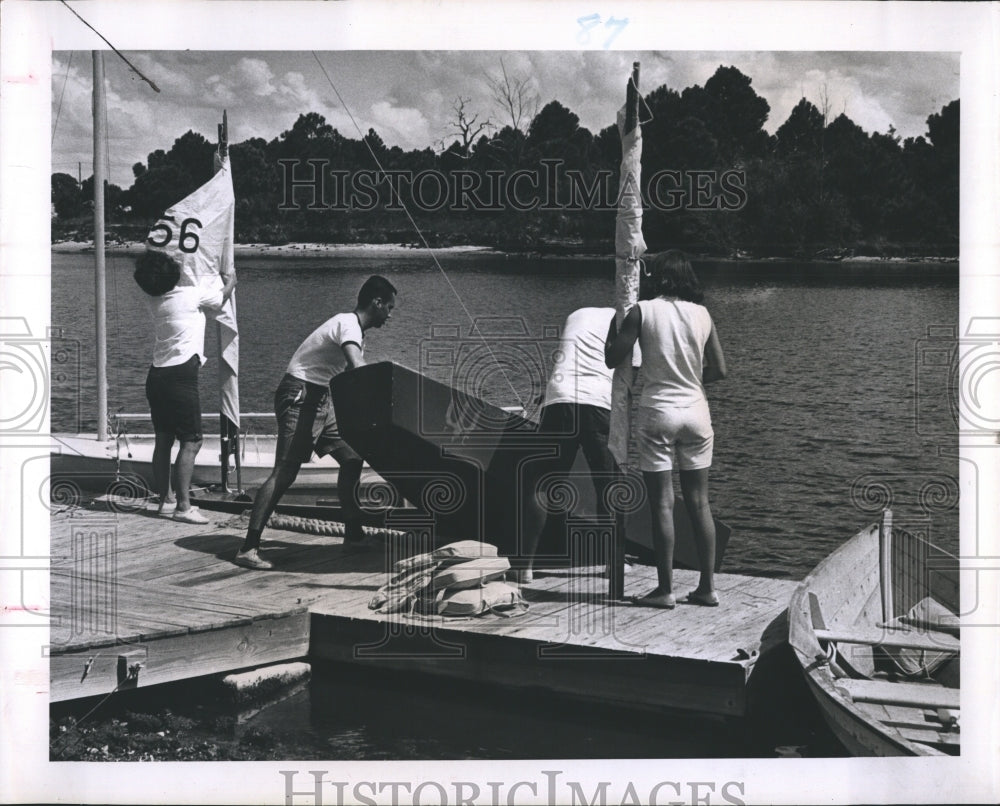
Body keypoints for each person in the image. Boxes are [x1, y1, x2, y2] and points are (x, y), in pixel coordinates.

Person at [234, 275, 397, 570]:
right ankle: (249, 547)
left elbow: (350, 377)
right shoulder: (348, 324)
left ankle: (354, 535)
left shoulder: (356, 330)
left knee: (351, 457)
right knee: (285, 472)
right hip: (301, 394)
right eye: (389, 307)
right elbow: (357, 367)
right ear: (376, 302)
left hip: (321, 397)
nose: (390, 315)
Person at [604, 251, 727, 609]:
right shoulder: (703, 314)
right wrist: (688, 380)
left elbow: (614, 357)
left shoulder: (642, 310)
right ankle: (707, 588)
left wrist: (615, 330)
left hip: (658, 410)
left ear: (658, 277)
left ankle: (665, 590)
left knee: (662, 502)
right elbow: (719, 369)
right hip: (696, 412)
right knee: (700, 502)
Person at [135, 249, 236, 524]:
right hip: (181, 376)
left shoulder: (153, 299)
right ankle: (183, 506)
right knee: (192, 441)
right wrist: (232, 280)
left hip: (156, 375)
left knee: (164, 440)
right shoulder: (191, 295)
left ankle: (165, 501)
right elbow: (220, 298)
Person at [519, 306, 619, 582]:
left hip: (559, 396)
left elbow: (572, 360)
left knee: (542, 485)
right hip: (598, 402)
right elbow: (628, 375)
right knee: (607, 483)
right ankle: (612, 563)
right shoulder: (631, 320)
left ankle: (525, 567)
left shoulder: (577, 314)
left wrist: (550, 397)